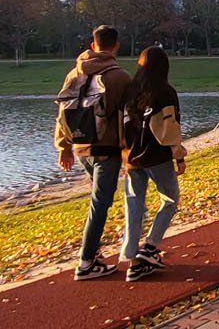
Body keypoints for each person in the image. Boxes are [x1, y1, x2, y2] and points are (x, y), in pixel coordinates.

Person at [55, 25, 132, 281]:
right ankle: (86, 262)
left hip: (81, 147)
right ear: (116, 45)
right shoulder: (119, 76)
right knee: (100, 203)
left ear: (92, 44)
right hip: (106, 148)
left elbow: (63, 113)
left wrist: (63, 146)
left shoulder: (73, 74)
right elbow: (132, 117)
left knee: (99, 199)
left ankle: (93, 255)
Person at [120, 45, 186, 282]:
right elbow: (170, 130)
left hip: (131, 158)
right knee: (170, 199)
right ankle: (149, 247)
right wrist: (179, 155)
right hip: (157, 157)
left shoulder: (130, 92)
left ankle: (132, 258)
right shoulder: (165, 93)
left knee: (134, 205)